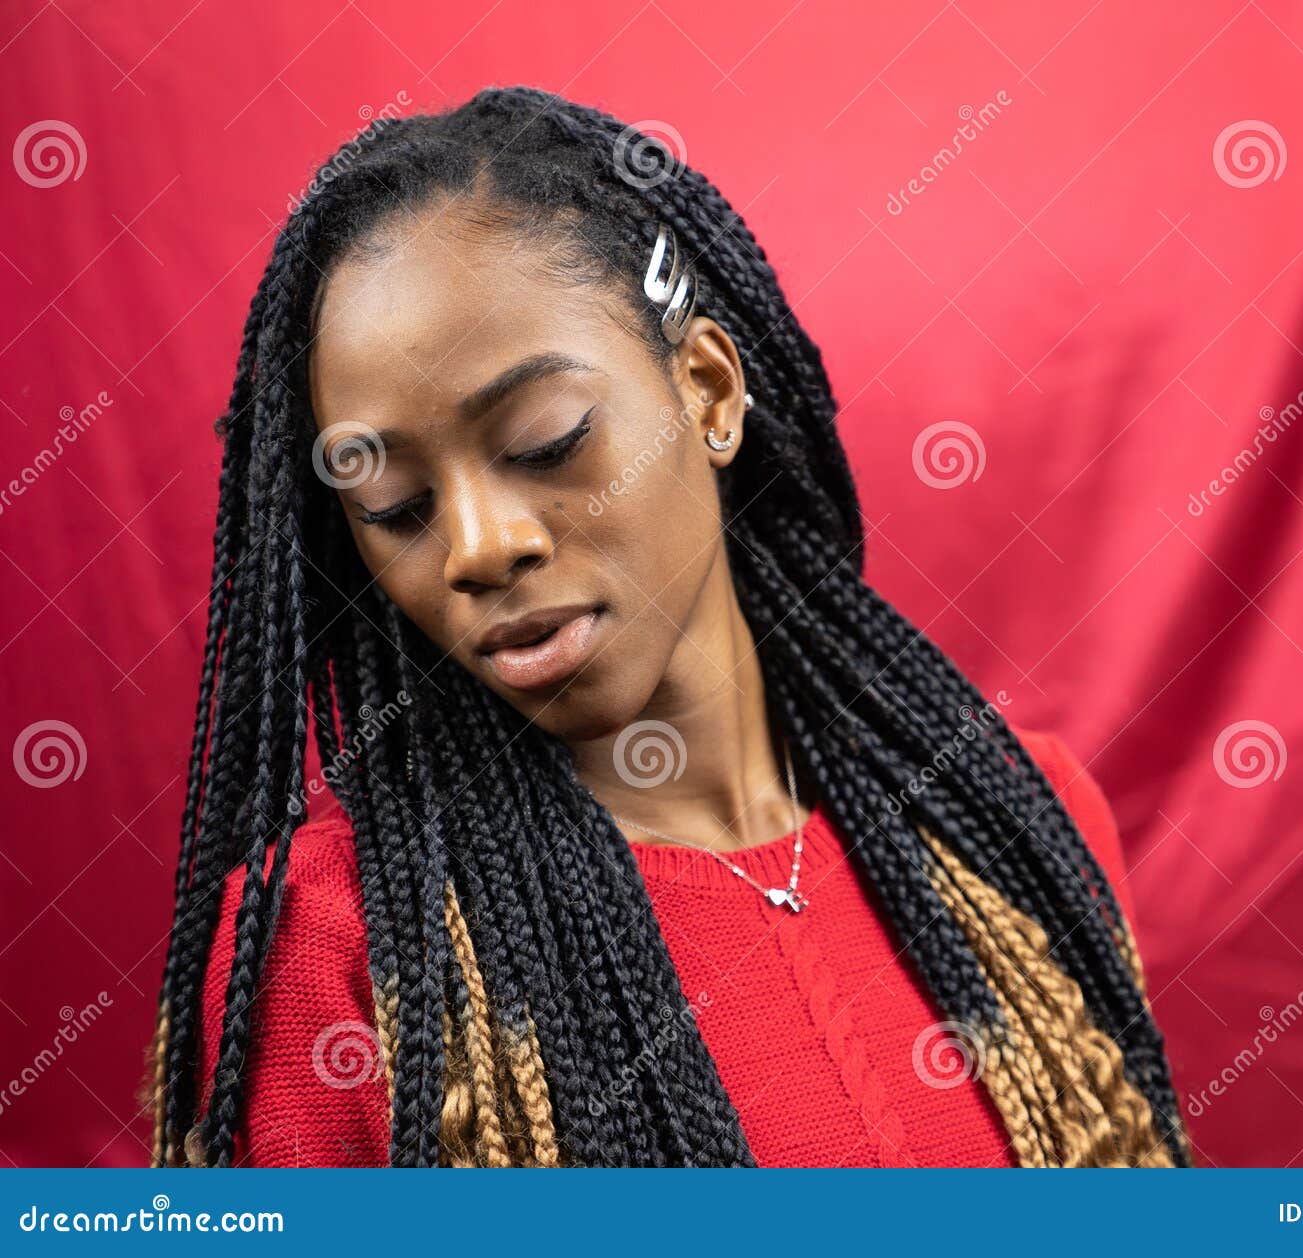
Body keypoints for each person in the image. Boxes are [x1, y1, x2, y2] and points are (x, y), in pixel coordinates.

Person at [142, 86, 1187, 1169]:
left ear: (706, 389)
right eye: (398, 507)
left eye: (544, 441)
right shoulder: (342, 946)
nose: (477, 547)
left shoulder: (1011, 824)